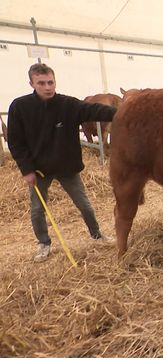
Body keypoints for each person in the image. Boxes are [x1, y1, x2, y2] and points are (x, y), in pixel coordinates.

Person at [7, 63, 117, 263]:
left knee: (84, 204)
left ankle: (96, 234)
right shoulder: (20, 107)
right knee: (38, 209)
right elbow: (15, 142)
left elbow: (94, 110)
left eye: (50, 82)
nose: (48, 87)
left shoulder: (68, 104)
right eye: (41, 83)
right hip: (38, 169)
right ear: (31, 83)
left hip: (67, 167)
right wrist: (26, 169)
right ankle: (44, 243)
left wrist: (122, 112)